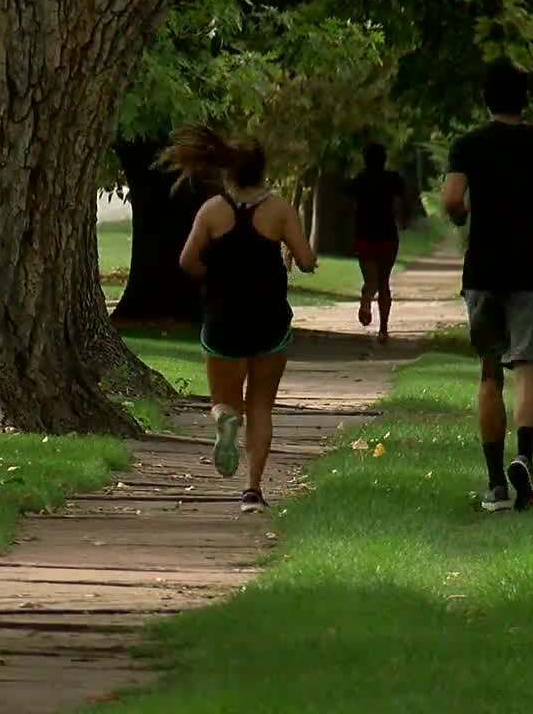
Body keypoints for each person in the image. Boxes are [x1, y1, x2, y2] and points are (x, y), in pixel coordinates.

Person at [441, 60, 533, 512]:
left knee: (488, 373)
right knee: (527, 369)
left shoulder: (469, 145)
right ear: (525, 100)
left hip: (483, 269)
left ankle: (495, 485)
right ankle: (523, 458)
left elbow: (451, 198)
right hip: (529, 271)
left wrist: (462, 217)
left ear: (487, 99)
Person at [158, 125, 318, 513]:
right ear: (263, 171)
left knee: (225, 401)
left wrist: (211, 276)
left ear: (228, 170)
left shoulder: (212, 210)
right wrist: (305, 263)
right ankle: (252, 491)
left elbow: (186, 261)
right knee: (262, 406)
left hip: (222, 320)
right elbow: (306, 257)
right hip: (269, 322)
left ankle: (225, 419)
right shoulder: (279, 210)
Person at [348, 143, 409, 344]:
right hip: (387, 235)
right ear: (384, 159)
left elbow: (346, 202)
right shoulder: (393, 180)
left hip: (364, 234)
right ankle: (383, 329)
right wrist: (403, 220)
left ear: (365, 160)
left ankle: (366, 302)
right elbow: (403, 202)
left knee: (370, 280)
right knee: (384, 282)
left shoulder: (359, 180)